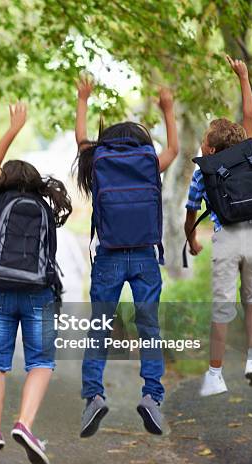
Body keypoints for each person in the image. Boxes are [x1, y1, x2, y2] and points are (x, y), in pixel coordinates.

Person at [0, 103, 72, 464]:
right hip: (38, 293)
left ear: (4, 182)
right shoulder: (44, 207)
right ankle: (25, 425)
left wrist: (13, 129)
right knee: (41, 361)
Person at [75, 75, 178, 437]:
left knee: (100, 329)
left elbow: (81, 140)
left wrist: (83, 99)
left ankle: (93, 397)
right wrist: (168, 110)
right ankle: (151, 396)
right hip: (145, 258)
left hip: (109, 258)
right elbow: (174, 151)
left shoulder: (97, 161)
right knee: (149, 328)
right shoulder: (149, 161)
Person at [185, 56, 252, 397]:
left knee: (221, 307)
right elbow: (248, 116)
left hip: (227, 239)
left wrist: (191, 239)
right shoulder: (248, 152)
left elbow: (191, 209)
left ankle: (216, 375)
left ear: (210, 147)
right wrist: (244, 77)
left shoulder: (204, 171)